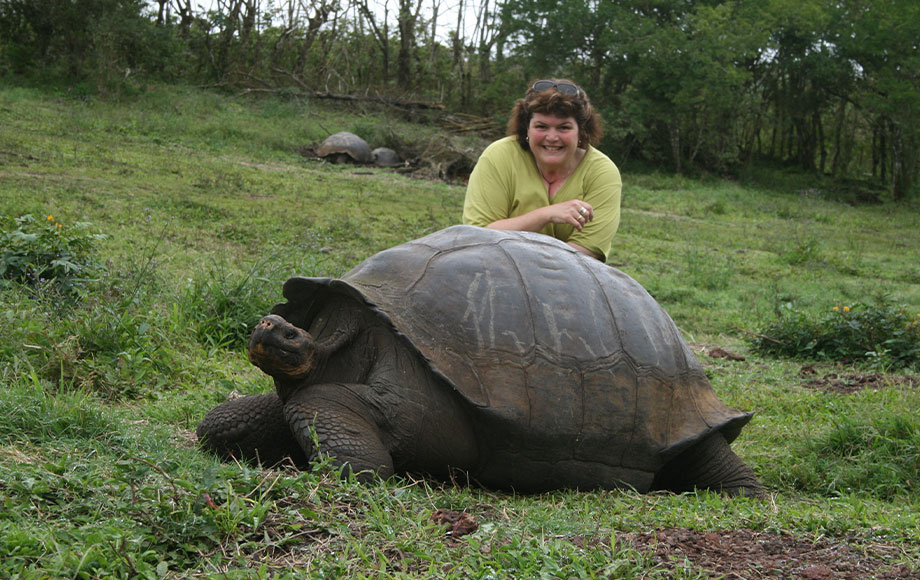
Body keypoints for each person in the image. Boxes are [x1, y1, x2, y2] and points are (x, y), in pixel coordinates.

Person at [462, 79, 621, 261]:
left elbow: (585, 251)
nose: (552, 137)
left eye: (564, 128)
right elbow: (478, 236)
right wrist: (545, 215)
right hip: (495, 266)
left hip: (571, 277)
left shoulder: (602, 172)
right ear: (526, 128)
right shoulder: (499, 156)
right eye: (541, 126)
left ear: (581, 132)